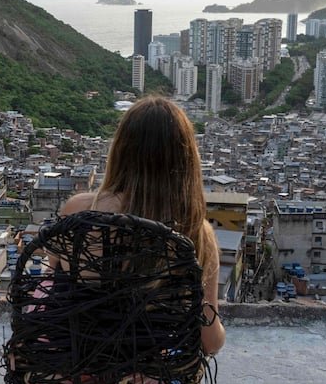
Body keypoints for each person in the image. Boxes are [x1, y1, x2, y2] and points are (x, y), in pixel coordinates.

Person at [56, 95, 225, 356]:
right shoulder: (197, 233)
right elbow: (210, 343)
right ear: (186, 160)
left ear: (120, 150)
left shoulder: (78, 211)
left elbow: (49, 290)